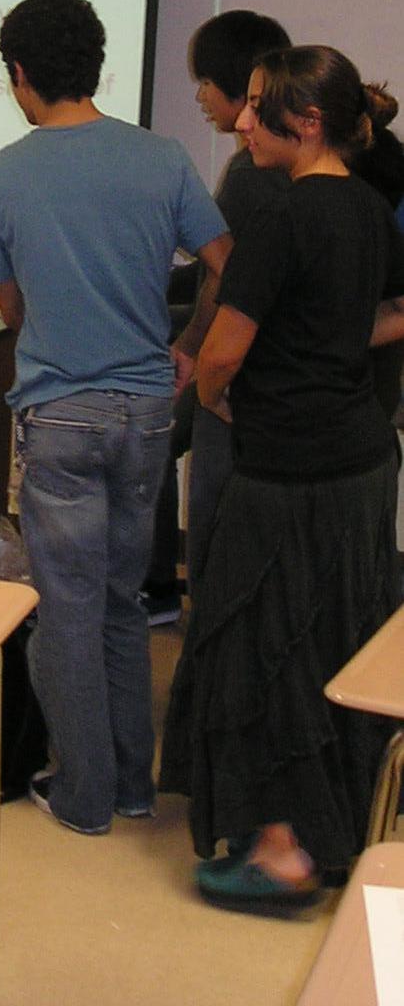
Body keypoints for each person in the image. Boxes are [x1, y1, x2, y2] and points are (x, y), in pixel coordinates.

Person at [0, 0, 231, 836]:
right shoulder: (162, 158)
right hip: (148, 411)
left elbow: (12, 309)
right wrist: (190, 341)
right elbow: (226, 260)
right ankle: (133, 784)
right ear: (96, 64)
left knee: (67, 608)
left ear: (19, 73)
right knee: (122, 599)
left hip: (60, 412)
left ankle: (83, 794)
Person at [161, 46, 404, 912]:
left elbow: (222, 352)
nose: (242, 121)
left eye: (260, 106)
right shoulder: (369, 206)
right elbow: (375, 316)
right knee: (340, 639)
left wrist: (214, 394)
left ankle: (281, 850)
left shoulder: (280, 217)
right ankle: (334, 830)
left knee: (262, 646)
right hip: (361, 462)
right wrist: (323, 349)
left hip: (287, 472)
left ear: (307, 122)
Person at [174, 10, 294, 602]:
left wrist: (193, 353)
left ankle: (195, 614)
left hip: (242, 369)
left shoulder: (252, 173)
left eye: (206, 83)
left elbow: (226, 280)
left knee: (214, 511)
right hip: (279, 371)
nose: (200, 97)